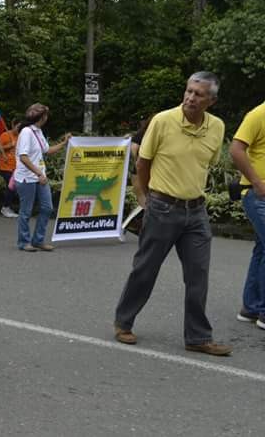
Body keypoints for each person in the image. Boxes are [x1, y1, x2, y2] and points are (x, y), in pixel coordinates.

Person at [114, 71, 232, 356]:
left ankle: (198, 336)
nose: (191, 97)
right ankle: (123, 322)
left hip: (197, 212)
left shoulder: (216, 127)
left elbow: (209, 162)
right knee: (146, 269)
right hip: (163, 208)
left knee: (198, 275)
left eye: (198, 94)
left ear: (211, 101)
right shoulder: (163, 121)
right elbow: (143, 162)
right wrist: (143, 197)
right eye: (189, 91)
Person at [14, 103, 70, 252]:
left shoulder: (37, 131)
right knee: (26, 211)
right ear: (41, 117)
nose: (47, 117)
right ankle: (24, 242)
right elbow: (23, 157)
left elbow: (47, 150)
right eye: (46, 114)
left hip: (39, 177)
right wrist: (39, 173)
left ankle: (38, 240)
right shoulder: (26, 132)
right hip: (27, 177)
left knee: (47, 208)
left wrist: (64, 143)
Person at [230, 101, 265, 330]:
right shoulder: (259, 114)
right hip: (257, 194)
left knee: (262, 248)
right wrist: (257, 182)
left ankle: (251, 308)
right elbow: (235, 149)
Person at [0, 118, 23, 218]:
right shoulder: (5, 135)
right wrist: (9, 145)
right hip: (5, 167)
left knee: (17, 186)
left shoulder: (21, 137)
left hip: (17, 167)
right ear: (13, 125)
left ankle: (10, 206)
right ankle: (5, 207)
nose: (19, 129)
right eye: (18, 127)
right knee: (12, 185)